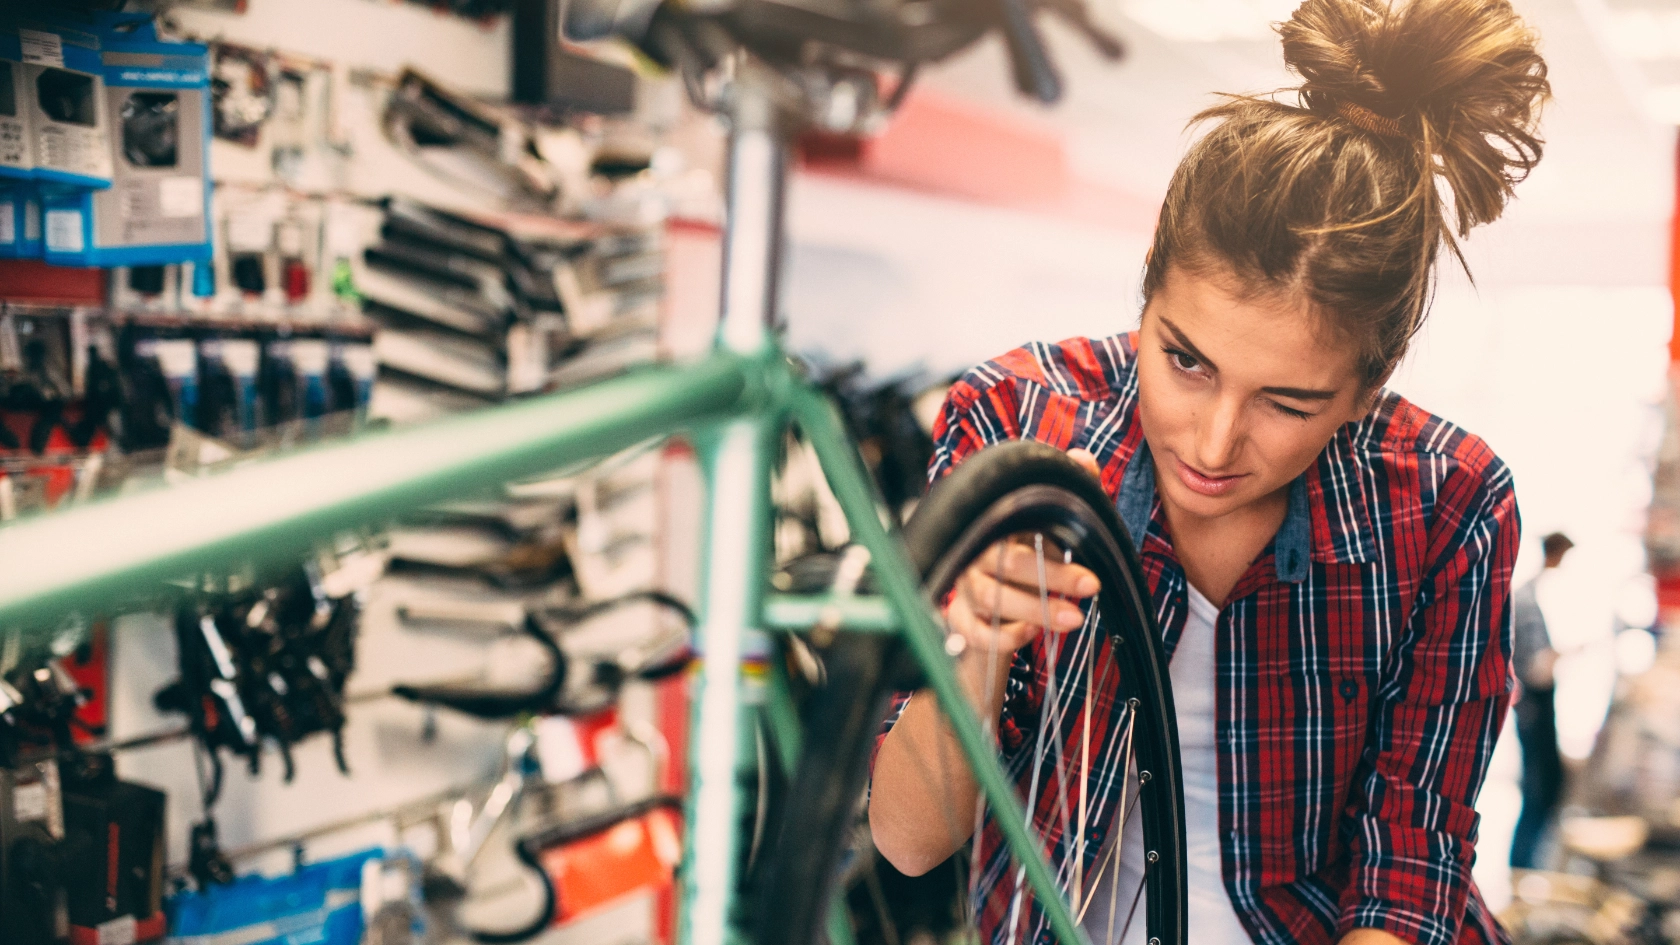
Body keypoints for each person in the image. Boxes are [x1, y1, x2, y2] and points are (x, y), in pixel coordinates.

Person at [868, 1, 1549, 943]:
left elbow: (1411, 862)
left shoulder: (1449, 502)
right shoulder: (1015, 419)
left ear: (1368, 384)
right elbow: (909, 840)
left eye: (1288, 402)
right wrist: (980, 642)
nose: (1215, 443)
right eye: (1185, 359)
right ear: (1148, 279)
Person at [1508, 531, 1572, 870]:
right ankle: (1523, 866)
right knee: (1540, 788)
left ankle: (1526, 864)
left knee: (1545, 785)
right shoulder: (1528, 598)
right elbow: (1534, 667)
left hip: (1533, 702)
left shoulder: (1531, 593)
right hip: (1532, 704)